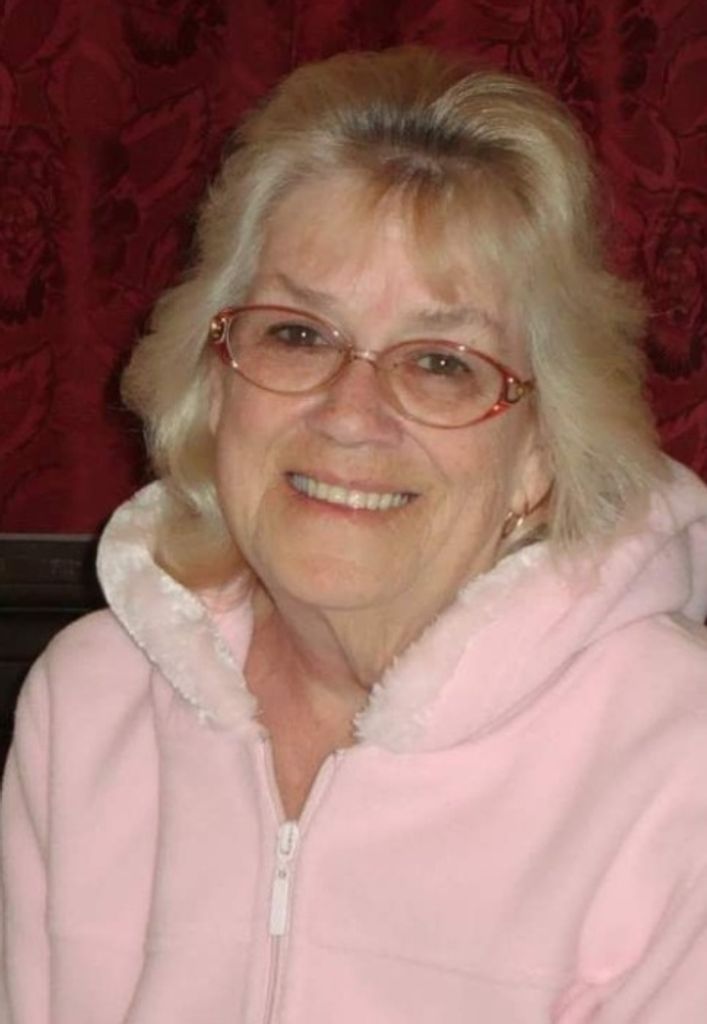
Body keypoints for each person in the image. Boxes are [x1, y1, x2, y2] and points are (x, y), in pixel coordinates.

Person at [2, 46, 706, 1024]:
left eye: (440, 362)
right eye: (297, 334)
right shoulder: (90, 706)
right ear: (214, 383)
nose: (348, 415)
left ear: (541, 451)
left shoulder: (672, 756)